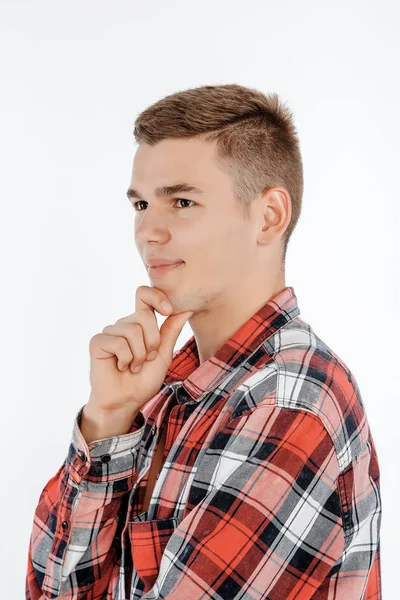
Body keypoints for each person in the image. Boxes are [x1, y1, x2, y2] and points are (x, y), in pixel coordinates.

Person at [26, 83, 382, 599]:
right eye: (142, 203)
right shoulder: (164, 386)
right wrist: (108, 420)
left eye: (183, 201)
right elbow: (51, 591)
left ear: (269, 216)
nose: (148, 230)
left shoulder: (291, 399)